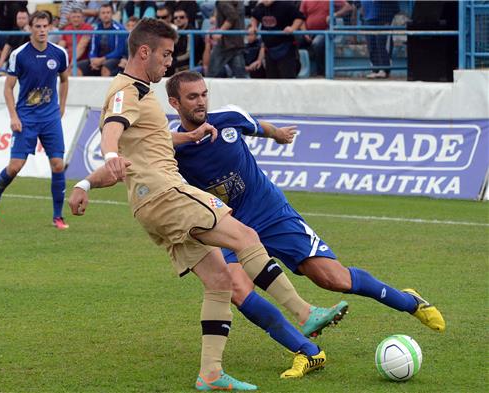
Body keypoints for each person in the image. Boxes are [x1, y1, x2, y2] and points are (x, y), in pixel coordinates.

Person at [71, 18, 328, 390]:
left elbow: (149, 143)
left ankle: (210, 374)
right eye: (165, 54)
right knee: (244, 235)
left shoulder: (140, 92)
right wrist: (110, 152)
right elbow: (112, 123)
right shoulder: (129, 89)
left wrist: (85, 182)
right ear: (144, 52)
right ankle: (305, 313)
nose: (168, 62)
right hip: (166, 194)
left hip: (150, 207)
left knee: (220, 280)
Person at [165, 71, 444, 335]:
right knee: (236, 288)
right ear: (174, 102)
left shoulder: (228, 117)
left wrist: (278, 134)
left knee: (332, 279)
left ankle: (410, 302)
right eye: (192, 97)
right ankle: (303, 344)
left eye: (204, 94)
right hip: (225, 223)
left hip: (269, 212)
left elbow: (258, 127)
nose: (201, 101)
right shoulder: (171, 146)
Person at [0, 11, 70, 230]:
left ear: (50, 28)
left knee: (58, 164)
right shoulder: (19, 55)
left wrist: (61, 107)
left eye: (45, 26)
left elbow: (64, 80)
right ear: (30, 28)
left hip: (50, 117)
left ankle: (57, 216)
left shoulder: (59, 54)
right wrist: (14, 116)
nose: (42, 30)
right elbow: (8, 88)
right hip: (27, 118)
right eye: (38, 26)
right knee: (15, 167)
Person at [250, 0, 305, 79]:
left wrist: (292, 28)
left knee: (287, 81)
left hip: (286, 49)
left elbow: (299, 18)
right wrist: (254, 26)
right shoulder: (260, 7)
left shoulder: (286, 5)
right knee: (272, 81)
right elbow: (254, 16)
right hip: (269, 51)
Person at [299, 0, 353, 76]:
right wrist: (305, 33)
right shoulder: (305, 1)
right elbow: (300, 18)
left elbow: (348, 7)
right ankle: (297, 70)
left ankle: (321, 73)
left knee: (316, 43)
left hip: (326, 31)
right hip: (309, 32)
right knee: (294, 41)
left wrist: (334, 15)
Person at [77, 3, 126, 77]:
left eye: (108, 12)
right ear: (99, 15)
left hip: (114, 59)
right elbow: (92, 49)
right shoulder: (96, 29)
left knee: (105, 68)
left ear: (112, 14)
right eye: (103, 13)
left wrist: (102, 59)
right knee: (77, 68)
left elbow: (118, 51)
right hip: (97, 59)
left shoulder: (119, 29)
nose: (105, 15)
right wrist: (92, 59)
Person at [358, 0, 399, 79]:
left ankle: (384, 69)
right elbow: (356, 2)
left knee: (381, 43)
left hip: (383, 18)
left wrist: (388, 18)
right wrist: (360, 8)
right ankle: (375, 69)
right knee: (371, 44)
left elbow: (394, 5)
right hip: (368, 18)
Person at [207, 1, 247, 78]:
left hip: (226, 43)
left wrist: (220, 31)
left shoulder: (223, 2)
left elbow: (232, 16)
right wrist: (216, 16)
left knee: (211, 73)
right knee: (241, 75)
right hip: (235, 42)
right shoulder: (234, 3)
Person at [165, 9, 206, 76]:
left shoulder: (192, 33)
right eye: (175, 18)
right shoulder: (175, 32)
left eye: (181, 17)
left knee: (168, 67)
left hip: (192, 62)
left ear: (187, 19)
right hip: (179, 60)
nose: (178, 19)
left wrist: (174, 59)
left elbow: (188, 54)